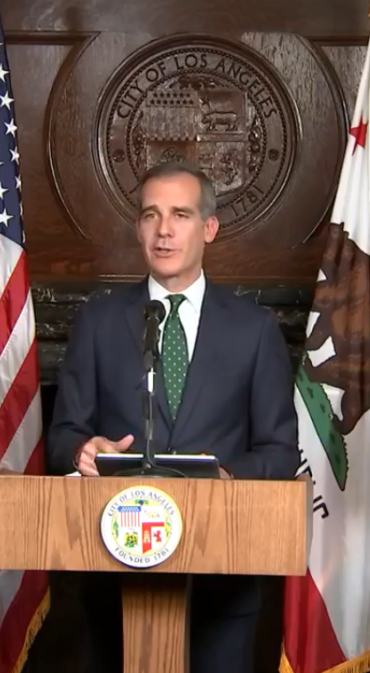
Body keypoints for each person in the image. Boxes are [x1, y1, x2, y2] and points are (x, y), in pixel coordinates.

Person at [47, 160, 299, 673]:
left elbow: (280, 451)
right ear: (138, 227)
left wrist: (228, 476)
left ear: (208, 228)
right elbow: (62, 435)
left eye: (180, 215)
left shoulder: (254, 330)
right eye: (151, 216)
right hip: (113, 578)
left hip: (223, 585)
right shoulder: (99, 321)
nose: (164, 231)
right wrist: (82, 450)